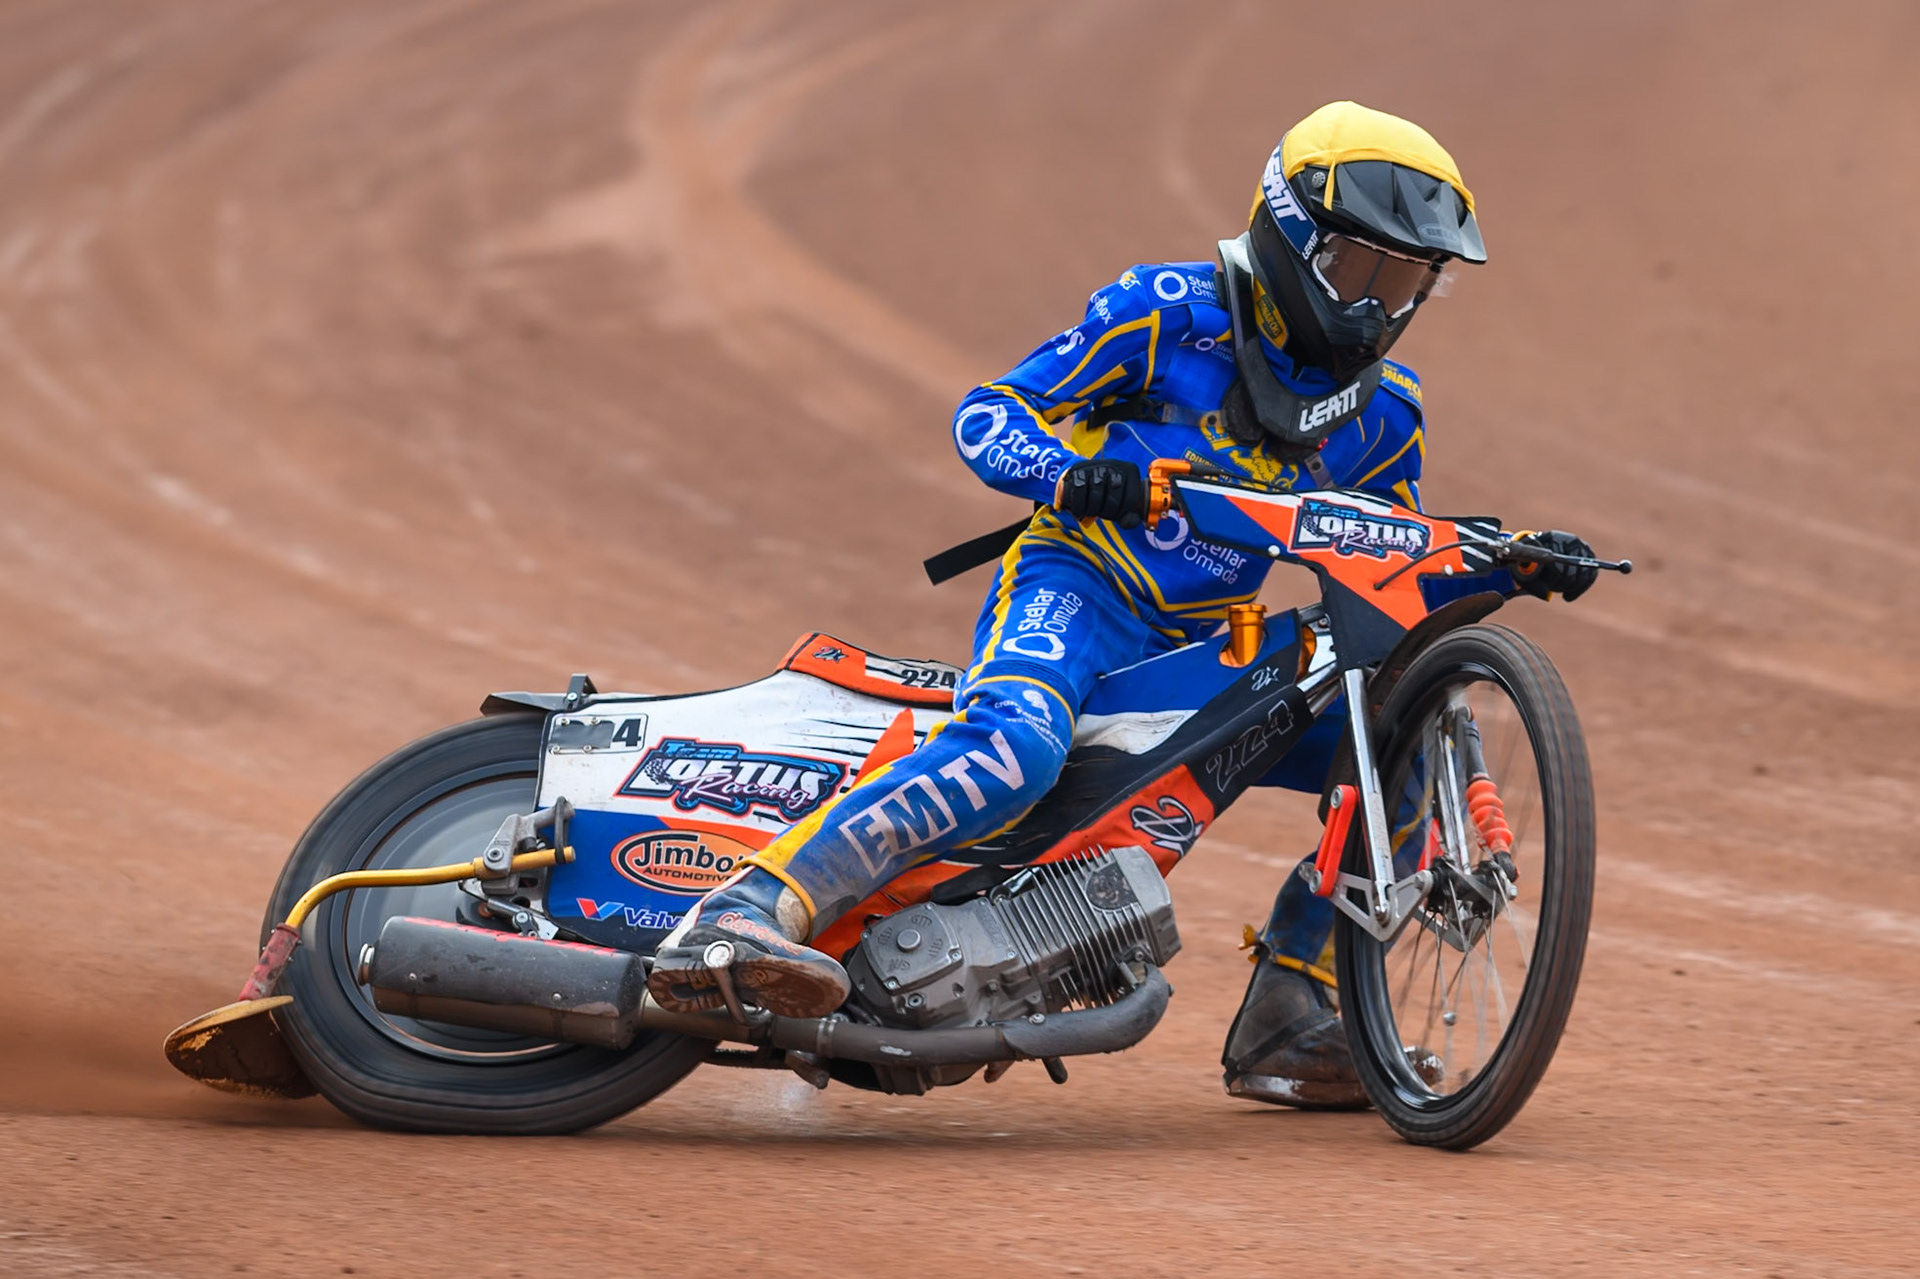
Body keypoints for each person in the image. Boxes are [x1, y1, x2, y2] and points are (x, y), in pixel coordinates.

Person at [648, 101, 1597, 1108]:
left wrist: (1509, 561)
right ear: (1290, 235)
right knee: (1013, 749)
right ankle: (742, 912)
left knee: (1396, 740)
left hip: (1204, 649)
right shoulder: (1163, 315)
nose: (1377, 305)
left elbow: (1384, 570)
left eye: (1406, 281)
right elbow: (988, 414)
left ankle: (1292, 1006)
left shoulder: (1386, 416)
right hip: (1077, 586)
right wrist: (1066, 474)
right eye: (1361, 270)